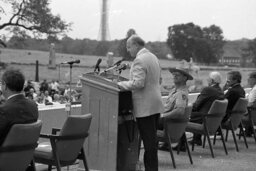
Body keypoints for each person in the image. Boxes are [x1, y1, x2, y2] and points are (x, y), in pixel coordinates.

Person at [118, 35, 164, 171]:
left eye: (129, 46)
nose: (128, 50)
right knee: (152, 141)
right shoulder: (153, 57)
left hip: (145, 107)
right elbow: (159, 80)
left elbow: (138, 83)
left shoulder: (139, 60)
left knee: (149, 143)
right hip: (155, 104)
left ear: (136, 45)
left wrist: (119, 84)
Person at [0, 68, 38, 145]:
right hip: (27, 153)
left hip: (6, 154)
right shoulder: (33, 106)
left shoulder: (4, 110)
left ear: (5, 85)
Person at [159, 67, 193, 151]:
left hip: (167, 124)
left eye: (177, 75)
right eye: (173, 74)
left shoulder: (181, 93)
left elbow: (179, 111)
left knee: (141, 123)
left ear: (185, 78)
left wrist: (162, 116)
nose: (174, 76)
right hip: (166, 121)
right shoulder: (175, 90)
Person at [189, 71, 224, 145]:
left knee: (182, 114)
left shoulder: (208, 89)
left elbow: (196, 106)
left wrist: (187, 107)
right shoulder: (220, 91)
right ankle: (196, 139)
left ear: (212, 80)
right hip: (212, 120)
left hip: (203, 118)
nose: (207, 80)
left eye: (208, 78)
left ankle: (179, 143)